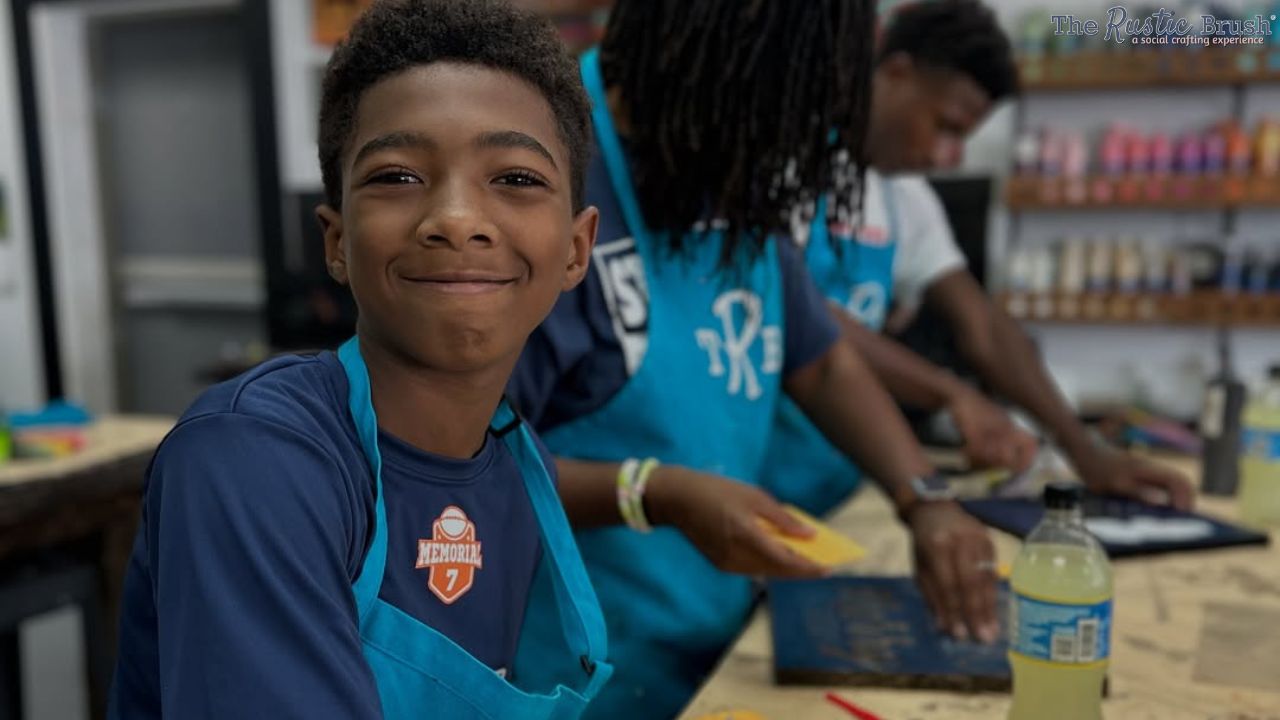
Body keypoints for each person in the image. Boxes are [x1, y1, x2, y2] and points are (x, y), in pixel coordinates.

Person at [109, 1, 613, 717]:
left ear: (575, 247)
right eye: (398, 177)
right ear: (336, 240)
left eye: (517, 179)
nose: (457, 220)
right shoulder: (252, 460)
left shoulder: (515, 467)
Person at [509, 2, 999, 717]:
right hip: (575, 676)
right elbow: (464, 470)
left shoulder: (728, 166)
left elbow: (821, 362)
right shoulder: (538, 177)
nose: (789, 154)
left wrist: (923, 498)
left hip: (714, 648)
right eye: (778, 120)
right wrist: (656, 492)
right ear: (705, 76)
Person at [764, 0, 1193, 526]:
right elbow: (806, 320)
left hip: (839, 489)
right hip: (748, 486)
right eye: (947, 127)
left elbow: (984, 327)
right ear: (896, 74)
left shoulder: (904, 198)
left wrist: (1086, 452)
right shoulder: (776, 164)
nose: (952, 157)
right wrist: (951, 392)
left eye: (964, 138)